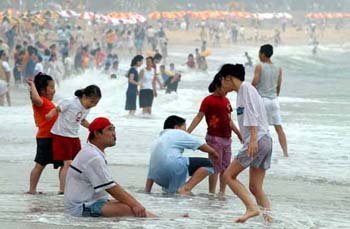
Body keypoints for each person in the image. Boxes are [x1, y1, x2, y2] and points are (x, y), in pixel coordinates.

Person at [64, 117, 153, 218]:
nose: (114, 133)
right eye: (110, 129)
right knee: (134, 211)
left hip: (90, 202)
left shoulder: (92, 151)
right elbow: (111, 188)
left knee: (133, 207)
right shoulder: (93, 156)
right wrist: (135, 204)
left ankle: (161, 223)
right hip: (80, 208)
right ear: (97, 133)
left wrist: (134, 203)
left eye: (114, 129)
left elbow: (110, 183)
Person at [219, 64, 272, 223]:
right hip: (265, 141)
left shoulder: (245, 88)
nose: (222, 85)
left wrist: (253, 139)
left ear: (228, 77)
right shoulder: (243, 91)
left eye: (222, 80)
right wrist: (246, 137)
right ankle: (269, 221)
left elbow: (251, 113)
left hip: (258, 140)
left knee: (228, 176)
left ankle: (251, 208)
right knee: (255, 187)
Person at [187, 74, 242, 195]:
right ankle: (212, 192)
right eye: (224, 88)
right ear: (217, 86)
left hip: (227, 139)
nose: (227, 91)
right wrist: (188, 132)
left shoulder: (227, 101)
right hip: (214, 138)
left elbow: (229, 120)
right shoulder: (208, 100)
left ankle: (221, 192)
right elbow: (199, 117)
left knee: (226, 168)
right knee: (215, 167)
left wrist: (239, 133)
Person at [46, 85, 101, 193]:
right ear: (84, 96)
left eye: (96, 103)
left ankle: (69, 187)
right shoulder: (70, 102)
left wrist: (92, 128)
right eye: (92, 101)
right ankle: (63, 190)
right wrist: (49, 115)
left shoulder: (87, 107)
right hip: (61, 135)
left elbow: (82, 120)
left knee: (75, 163)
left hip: (74, 137)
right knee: (68, 163)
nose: (93, 105)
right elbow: (57, 109)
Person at [145, 115, 219, 195]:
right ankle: (186, 188)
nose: (186, 131)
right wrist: (214, 152)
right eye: (184, 128)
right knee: (208, 164)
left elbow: (152, 168)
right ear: (176, 127)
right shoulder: (177, 132)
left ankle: (177, 190)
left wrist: (147, 191)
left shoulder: (159, 139)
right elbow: (199, 144)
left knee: (176, 166)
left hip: (158, 177)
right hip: (171, 168)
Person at [26, 73, 63, 194]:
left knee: (65, 163)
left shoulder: (47, 102)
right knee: (40, 165)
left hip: (54, 137)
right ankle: (32, 190)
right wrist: (32, 85)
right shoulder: (41, 101)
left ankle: (63, 189)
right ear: (42, 90)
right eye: (51, 87)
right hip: (45, 138)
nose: (54, 90)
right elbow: (35, 98)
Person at [252, 44, 288, 157]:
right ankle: (285, 153)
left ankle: (259, 152)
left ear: (262, 54)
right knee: (279, 127)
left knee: (260, 128)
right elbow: (279, 85)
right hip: (274, 100)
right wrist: (275, 96)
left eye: (259, 53)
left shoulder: (259, 66)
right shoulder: (278, 68)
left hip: (262, 99)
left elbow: (255, 82)